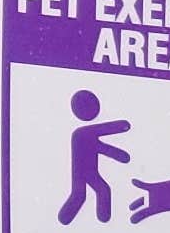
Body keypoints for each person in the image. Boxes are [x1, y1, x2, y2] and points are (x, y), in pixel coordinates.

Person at [56, 89, 131, 225]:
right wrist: (119, 154)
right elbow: (103, 147)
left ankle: (100, 219)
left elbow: (102, 146)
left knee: (97, 191)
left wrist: (119, 154)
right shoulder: (81, 135)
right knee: (82, 193)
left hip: (90, 171)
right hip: (82, 171)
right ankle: (66, 218)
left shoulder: (82, 135)